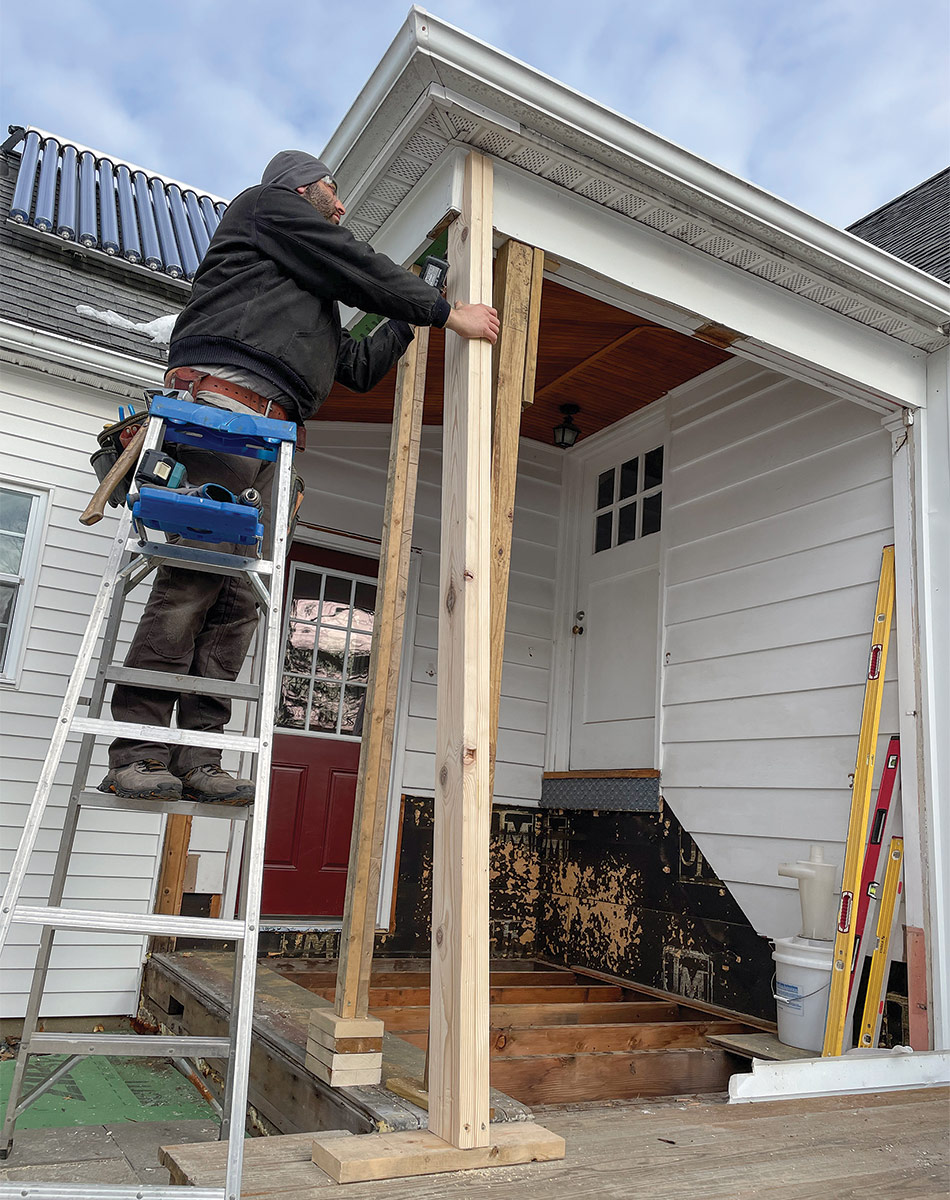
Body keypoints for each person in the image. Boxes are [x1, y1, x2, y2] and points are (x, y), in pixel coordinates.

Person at [100, 150, 498, 805]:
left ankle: (200, 758)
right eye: (332, 194)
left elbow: (363, 364)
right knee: (191, 581)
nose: (340, 208)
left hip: (270, 441)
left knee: (239, 604)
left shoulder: (300, 298)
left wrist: (418, 301)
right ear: (297, 188)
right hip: (218, 416)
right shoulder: (261, 207)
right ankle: (138, 753)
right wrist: (445, 311)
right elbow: (355, 262)